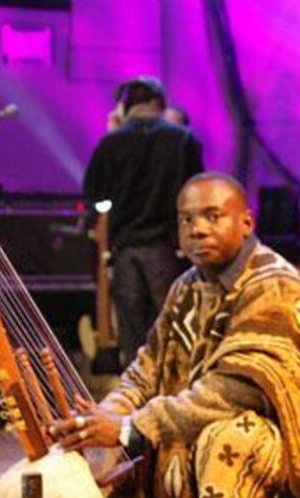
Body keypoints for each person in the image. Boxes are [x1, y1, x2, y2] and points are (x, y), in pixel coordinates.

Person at [50, 172, 300, 498]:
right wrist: (102, 416)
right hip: (192, 427)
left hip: (286, 452)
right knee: (102, 481)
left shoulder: (276, 286)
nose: (197, 229)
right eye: (187, 219)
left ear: (246, 222)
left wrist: (127, 429)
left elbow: (235, 390)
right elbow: (146, 369)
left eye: (213, 216)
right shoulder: (187, 287)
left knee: (233, 442)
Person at [84, 76, 204, 367]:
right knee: (175, 328)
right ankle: (175, 395)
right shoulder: (182, 139)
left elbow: (94, 196)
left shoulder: (110, 142)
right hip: (168, 250)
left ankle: (136, 402)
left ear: (126, 106)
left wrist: (106, 217)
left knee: (132, 335)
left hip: (126, 250)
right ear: (160, 104)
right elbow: (198, 191)